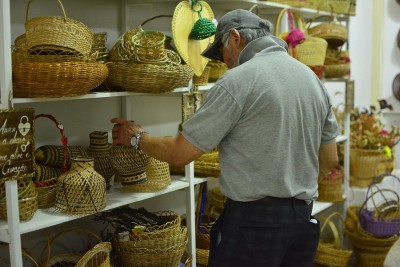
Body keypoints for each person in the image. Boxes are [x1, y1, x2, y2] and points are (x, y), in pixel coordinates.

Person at [111, 8, 339, 267]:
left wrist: (137, 137)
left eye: (221, 53)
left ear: (234, 38)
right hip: (302, 220)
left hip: (254, 224)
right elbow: (330, 160)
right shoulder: (312, 79)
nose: (225, 62)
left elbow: (180, 154)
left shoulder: (238, 80)